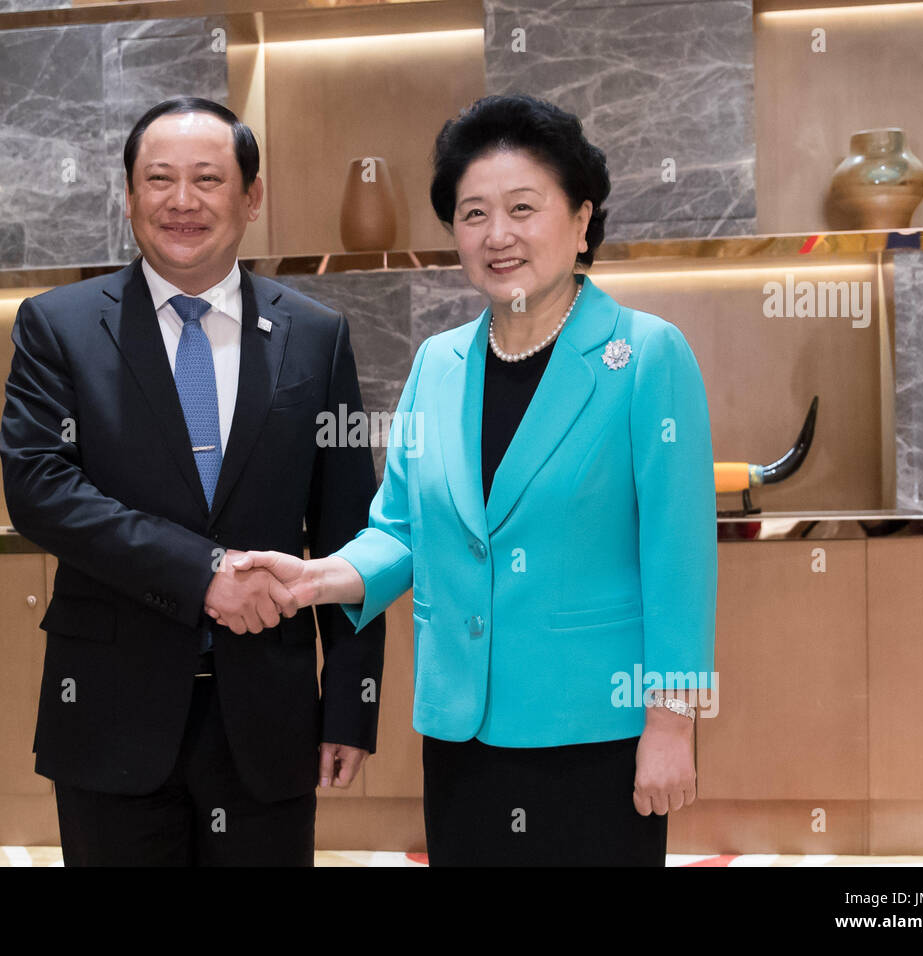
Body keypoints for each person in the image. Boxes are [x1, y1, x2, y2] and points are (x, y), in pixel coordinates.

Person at [232, 93, 717, 865]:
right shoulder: (438, 362)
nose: (498, 236)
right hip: (463, 729)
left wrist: (674, 723)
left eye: (523, 208)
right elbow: (398, 529)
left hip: (596, 730)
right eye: (473, 213)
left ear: (582, 218)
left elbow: (680, 561)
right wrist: (317, 578)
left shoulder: (647, 355)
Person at [0, 97, 385, 866]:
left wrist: (350, 705)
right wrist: (203, 574)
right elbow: (39, 487)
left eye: (208, 179)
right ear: (130, 194)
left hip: (266, 717)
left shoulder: (316, 335)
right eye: (159, 179)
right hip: (111, 712)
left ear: (252, 195)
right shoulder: (60, 325)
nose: (182, 201)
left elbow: (349, 533)